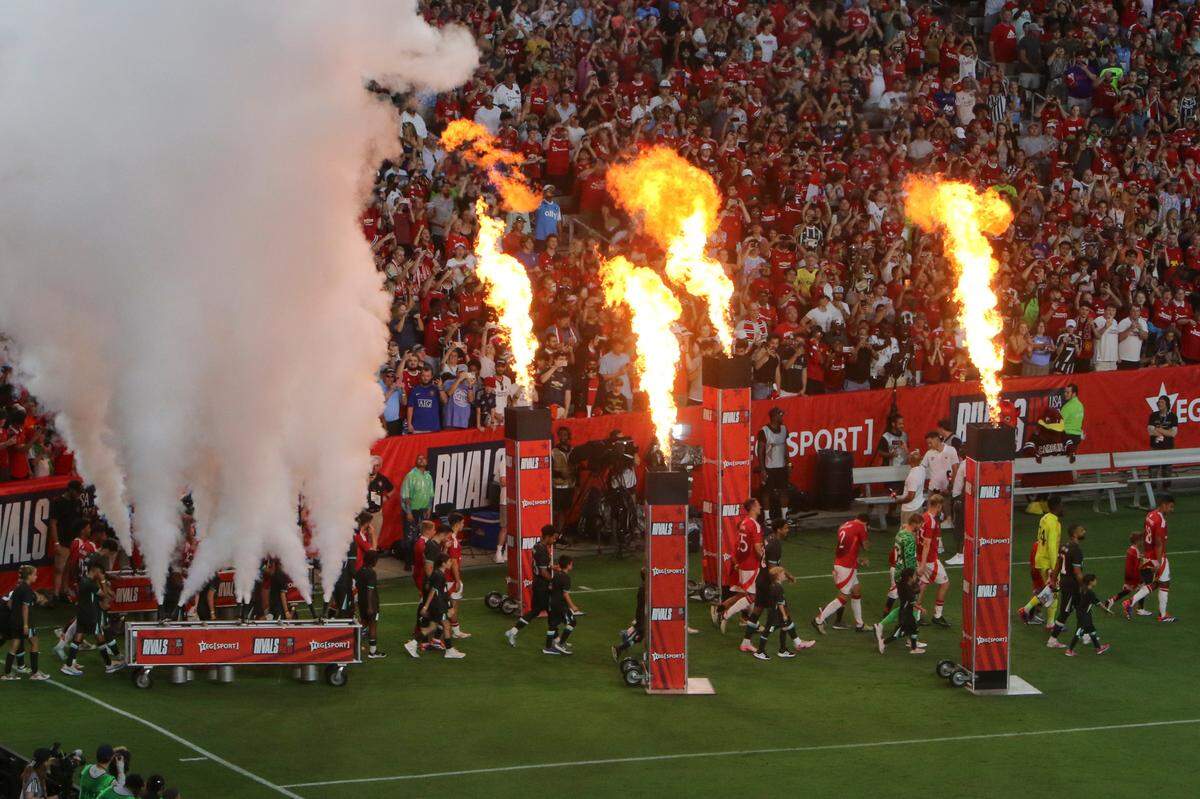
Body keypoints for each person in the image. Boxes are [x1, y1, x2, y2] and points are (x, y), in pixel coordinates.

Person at [739, 520, 814, 653]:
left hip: (760, 580)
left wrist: (787, 574)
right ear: (778, 529)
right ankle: (797, 642)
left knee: (757, 611)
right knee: (783, 609)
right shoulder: (775, 545)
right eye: (785, 528)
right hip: (769, 583)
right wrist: (780, 582)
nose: (787, 530)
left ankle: (745, 642)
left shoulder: (768, 538)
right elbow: (773, 570)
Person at [60, 555, 123, 676]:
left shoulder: (84, 580)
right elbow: (104, 594)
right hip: (91, 615)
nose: (101, 573)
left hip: (83, 613)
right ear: (95, 570)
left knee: (78, 638)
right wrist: (103, 580)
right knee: (100, 638)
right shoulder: (89, 584)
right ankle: (109, 665)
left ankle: (68, 664)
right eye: (100, 571)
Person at [811, 513, 870, 634]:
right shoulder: (860, 527)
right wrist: (866, 533)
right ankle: (818, 620)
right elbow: (866, 546)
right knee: (843, 597)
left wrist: (858, 560)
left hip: (842, 563)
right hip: (846, 567)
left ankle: (860, 624)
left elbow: (845, 548)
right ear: (865, 523)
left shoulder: (844, 525)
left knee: (856, 590)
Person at [712, 499, 764, 630]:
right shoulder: (754, 525)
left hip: (743, 564)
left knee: (742, 595)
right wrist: (764, 561)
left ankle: (719, 610)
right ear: (752, 507)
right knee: (753, 596)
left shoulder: (743, 523)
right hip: (751, 565)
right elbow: (757, 549)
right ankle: (728, 615)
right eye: (758, 505)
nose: (761, 507)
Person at [1123, 495, 1176, 623]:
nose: (1171, 510)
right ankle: (1162, 615)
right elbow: (1158, 543)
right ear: (1164, 504)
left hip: (1148, 554)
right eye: (1171, 506)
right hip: (1158, 556)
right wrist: (1158, 561)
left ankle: (1130, 602)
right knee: (1164, 583)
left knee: (1157, 583)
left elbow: (1147, 534)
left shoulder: (1150, 515)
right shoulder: (1161, 521)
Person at [504, 525, 558, 649]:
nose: (554, 541)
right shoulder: (543, 550)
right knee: (551, 612)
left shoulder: (537, 546)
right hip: (542, 586)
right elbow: (543, 572)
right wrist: (554, 581)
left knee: (537, 612)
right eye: (553, 538)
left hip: (538, 584)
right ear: (548, 536)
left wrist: (552, 567)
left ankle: (513, 631)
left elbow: (541, 566)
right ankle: (556, 642)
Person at [404, 555, 466, 659]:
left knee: (432, 627)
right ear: (443, 563)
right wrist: (425, 607)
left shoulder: (438, 573)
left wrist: (448, 605)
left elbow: (440, 591)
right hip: (437, 605)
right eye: (449, 561)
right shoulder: (439, 575)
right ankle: (449, 651)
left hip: (436, 604)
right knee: (446, 625)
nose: (451, 563)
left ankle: (412, 644)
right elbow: (433, 591)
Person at [1018, 496, 1064, 626]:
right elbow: (1051, 545)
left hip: (1040, 557)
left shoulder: (1044, 518)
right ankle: (1049, 623)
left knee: (1049, 590)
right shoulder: (1054, 523)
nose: (1063, 508)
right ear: (1057, 506)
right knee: (1054, 591)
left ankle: (1030, 611)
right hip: (1048, 561)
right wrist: (1055, 566)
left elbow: (1040, 539)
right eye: (1061, 505)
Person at [3, 565, 48, 681]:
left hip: (14, 621)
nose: (36, 577)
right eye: (35, 574)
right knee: (35, 643)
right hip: (23, 622)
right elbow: (25, 608)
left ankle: (7, 674)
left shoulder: (19, 587)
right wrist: (26, 625)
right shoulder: (27, 590)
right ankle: (35, 673)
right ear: (29, 576)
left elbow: (10, 604)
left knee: (14, 646)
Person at [1046, 524, 1087, 648]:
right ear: (1075, 534)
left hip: (1065, 582)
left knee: (1081, 608)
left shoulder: (1064, 547)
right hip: (1072, 585)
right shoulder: (1076, 550)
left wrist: (1053, 580)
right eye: (1081, 530)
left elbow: (1058, 564)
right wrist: (1084, 586)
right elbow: (1077, 572)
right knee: (1065, 612)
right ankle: (1052, 639)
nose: (1084, 531)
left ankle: (1085, 635)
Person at [915, 494, 951, 627]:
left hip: (920, 556)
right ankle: (937, 615)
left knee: (922, 585)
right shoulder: (931, 521)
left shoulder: (923, 517)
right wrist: (924, 563)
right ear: (939, 506)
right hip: (929, 559)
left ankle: (916, 616)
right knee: (945, 584)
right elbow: (927, 544)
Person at [753, 567, 802, 661]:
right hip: (775, 615)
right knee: (768, 631)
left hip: (775, 613)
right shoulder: (778, 588)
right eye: (783, 573)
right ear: (778, 576)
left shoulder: (773, 585)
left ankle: (783, 650)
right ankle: (760, 652)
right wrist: (784, 615)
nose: (784, 575)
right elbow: (780, 603)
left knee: (784, 628)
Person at [877, 567, 925, 655]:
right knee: (900, 633)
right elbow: (912, 603)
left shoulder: (902, 585)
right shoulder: (908, 590)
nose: (916, 577)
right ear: (910, 578)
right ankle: (883, 642)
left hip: (906, 612)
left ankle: (914, 648)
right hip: (906, 614)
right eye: (914, 575)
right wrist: (921, 609)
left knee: (914, 629)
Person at [756, 407, 792, 524]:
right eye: (780, 415)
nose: (782, 417)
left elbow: (785, 447)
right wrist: (762, 469)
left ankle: (785, 517)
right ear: (774, 417)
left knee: (784, 491)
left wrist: (789, 463)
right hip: (769, 467)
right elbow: (760, 451)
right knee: (767, 492)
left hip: (781, 467)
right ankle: (767, 518)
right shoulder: (764, 431)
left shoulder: (784, 429)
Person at [399, 453, 433, 568]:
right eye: (419, 458)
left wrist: (429, 508)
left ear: (427, 462)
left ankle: (418, 561)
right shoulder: (411, 475)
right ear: (416, 462)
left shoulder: (428, 476)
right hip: (412, 511)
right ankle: (408, 563)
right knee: (409, 537)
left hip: (423, 511)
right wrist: (408, 512)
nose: (421, 460)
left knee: (421, 537)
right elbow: (406, 496)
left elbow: (431, 494)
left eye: (423, 458)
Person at [1064, 574, 1111, 657]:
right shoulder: (1090, 592)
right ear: (1091, 582)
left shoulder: (1082, 589)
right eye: (1095, 580)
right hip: (1084, 615)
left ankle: (1098, 648)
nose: (1096, 582)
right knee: (1080, 632)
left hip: (1083, 613)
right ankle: (1069, 650)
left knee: (1091, 629)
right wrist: (1106, 610)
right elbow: (1098, 603)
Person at [1107, 532, 1151, 616]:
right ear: (1137, 541)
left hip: (1128, 574)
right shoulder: (1135, 551)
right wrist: (1146, 564)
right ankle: (1140, 609)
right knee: (1144, 588)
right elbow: (1138, 566)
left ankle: (1111, 600)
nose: (1142, 542)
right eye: (1141, 540)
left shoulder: (1132, 549)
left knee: (1127, 590)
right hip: (1134, 574)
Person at [545, 555, 578, 655]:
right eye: (571, 563)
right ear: (568, 565)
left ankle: (547, 648)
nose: (572, 565)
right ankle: (561, 644)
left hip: (552, 603)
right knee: (572, 622)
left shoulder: (556, 575)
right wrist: (572, 606)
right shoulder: (566, 578)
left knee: (553, 625)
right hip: (560, 605)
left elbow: (550, 587)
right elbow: (565, 594)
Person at [444, 512, 471, 641]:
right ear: (457, 523)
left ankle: (453, 630)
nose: (463, 525)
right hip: (450, 579)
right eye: (462, 523)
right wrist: (458, 579)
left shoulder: (447, 537)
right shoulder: (453, 540)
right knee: (452, 606)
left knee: (446, 605)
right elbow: (454, 562)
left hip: (446, 576)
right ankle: (454, 631)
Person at [355, 549, 385, 659]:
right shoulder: (371, 573)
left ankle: (352, 644)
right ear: (373, 561)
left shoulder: (359, 571)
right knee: (372, 626)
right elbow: (370, 590)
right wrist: (370, 607)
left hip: (361, 603)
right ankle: (373, 652)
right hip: (371, 604)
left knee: (362, 624)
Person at [612, 569, 646, 662]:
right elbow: (642, 605)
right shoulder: (644, 589)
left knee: (641, 636)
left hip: (644, 616)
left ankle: (624, 638)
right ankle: (620, 646)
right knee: (640, 636)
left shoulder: (645, 587)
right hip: (644, 616)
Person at [1147, 396, 1178, 488]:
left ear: (1167, 404)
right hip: (1155, 446)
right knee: (1153, 469)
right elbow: (1150, 431)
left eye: (1162, 402)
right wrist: (1164, 432)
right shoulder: (1153, 415)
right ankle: (1152, 489)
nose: (1159, 404)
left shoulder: (1172, 416)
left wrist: (1159, 429)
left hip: (1168, 447)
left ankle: (1166, 489)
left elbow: (1173, 433)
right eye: (1158, 402)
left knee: (1167, 470)